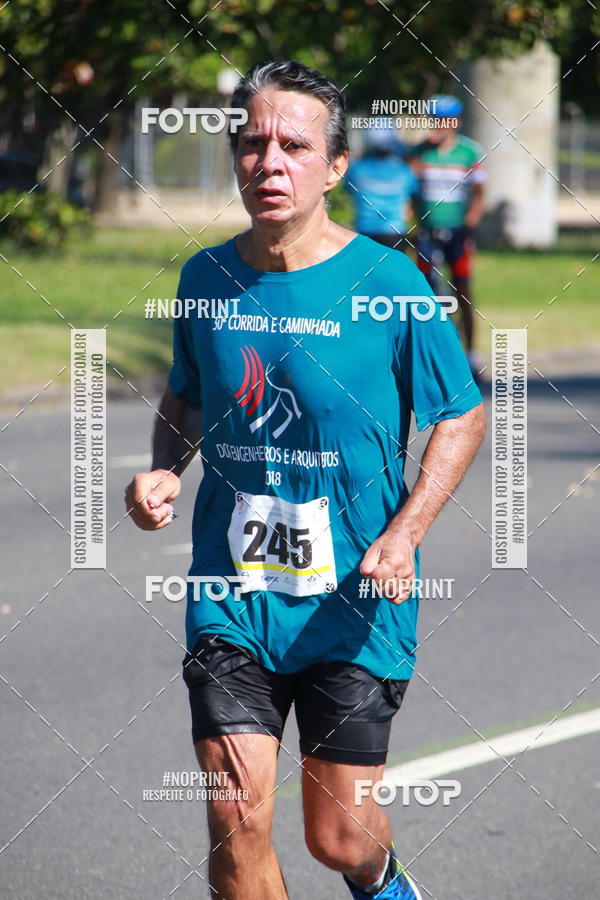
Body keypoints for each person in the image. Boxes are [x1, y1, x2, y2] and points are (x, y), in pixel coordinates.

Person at [125, 61, 486, 900]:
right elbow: (184, 396)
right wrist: (162, 473)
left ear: (336, 167)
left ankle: (385, 882)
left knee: (339, 838)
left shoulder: (392, 285)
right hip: (233, 593)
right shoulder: (206, 279)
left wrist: (406, 534)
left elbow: (461, 415)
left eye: (294, 145)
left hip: (355, 601)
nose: (269, 163)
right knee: (235, 811)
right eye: (252, 144)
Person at [409, 95, 486, 377]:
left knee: (463, 291)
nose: (439, 125)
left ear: (456, 122)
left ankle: (471, 353)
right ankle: (433, 354)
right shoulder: (418, 152)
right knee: (426, 293)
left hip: (458, 232)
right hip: (428, 232)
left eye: (445, 120)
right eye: (435, 120)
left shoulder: (470, 153)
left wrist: (469, 226)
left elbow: (479, 197)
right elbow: (409, 194)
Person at [344, 127, 418, 250]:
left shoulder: (357, 170)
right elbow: (414, 192)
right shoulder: (404, 170)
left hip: (365, 231)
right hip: (395, 232)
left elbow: (348, 189)